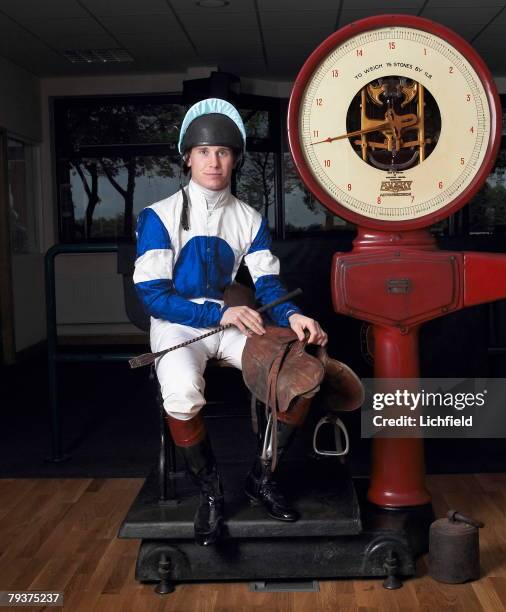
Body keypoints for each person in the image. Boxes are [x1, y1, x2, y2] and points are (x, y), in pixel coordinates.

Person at [133, 98, 327, 546]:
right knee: (181, 391)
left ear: (235, 158)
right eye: (203, 152)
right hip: (179, 322)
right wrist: (218, 313)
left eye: (222, 151)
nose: (213, 161)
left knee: (300, 374)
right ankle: (211, 490)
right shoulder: (158, 216)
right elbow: (153, 295)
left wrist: (295, 315)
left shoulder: (250, 218)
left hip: (234, 322)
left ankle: (261, 477)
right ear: (187, 157)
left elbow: (268, 286)